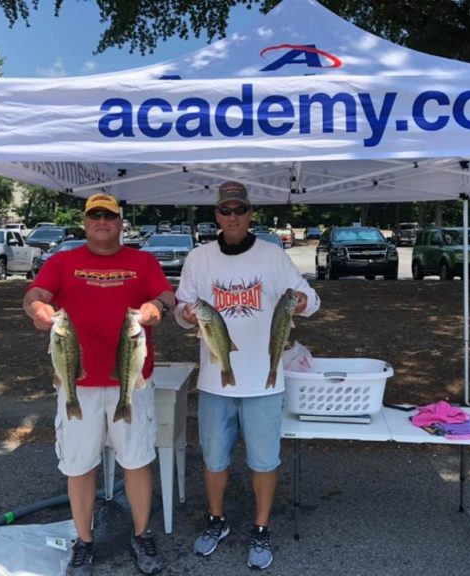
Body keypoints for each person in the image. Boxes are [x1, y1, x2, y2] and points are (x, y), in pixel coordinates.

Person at [23, 193, 175, 576]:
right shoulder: (62, 261)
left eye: (109, 216)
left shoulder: (143, 261)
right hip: (77, 382)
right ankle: (84, 541)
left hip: (132, 382)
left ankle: (142, 534)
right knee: (79, 465)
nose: (102, 222)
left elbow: (165, 294)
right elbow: (36, 294)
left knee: (137, 460)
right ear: (85, 223)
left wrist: (158, 308)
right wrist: (37, 308)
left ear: (121, 222)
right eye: (95, 216)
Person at [175, 181, 320, 570]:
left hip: (265, 381)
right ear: (217, 215)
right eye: (226, 210)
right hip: (214, 381)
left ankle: (260, 526)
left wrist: (303, 302)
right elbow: (180, 311)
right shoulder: (199, 258)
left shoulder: (273, 256)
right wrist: (186, 315)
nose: (233, 216)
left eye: (240, 209)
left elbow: (311, 300)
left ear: (250, 212)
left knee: (264, 461)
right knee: (214, 458)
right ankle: (216, 519)